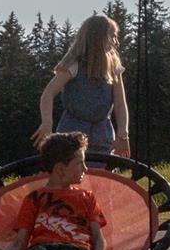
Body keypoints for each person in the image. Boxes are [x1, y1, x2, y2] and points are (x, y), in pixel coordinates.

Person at [33, 13, 131, 158]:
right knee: (72, 168)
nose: (116, 42)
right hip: (71, 138)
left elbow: (120, 104)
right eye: (113, 36)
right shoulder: (74, 65)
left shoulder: (114, 68)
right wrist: (47, 123)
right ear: (98, 37)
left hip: (102, 137)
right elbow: (48, 94)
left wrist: (123, 134)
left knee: (100, 170)